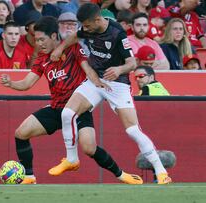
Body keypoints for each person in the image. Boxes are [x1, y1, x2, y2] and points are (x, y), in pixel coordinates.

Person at [0, 16, 143, 185]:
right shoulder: (41, 59)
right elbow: (26, 84)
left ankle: (121, 175)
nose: (38, 44)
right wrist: (11, 84)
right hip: (57, 108)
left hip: (78, 109)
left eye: (41, 39)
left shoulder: (74, 49)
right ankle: (29, 177)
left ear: (54, 36)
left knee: (89, 148)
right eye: (36, 40)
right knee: (20, 133)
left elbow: (87, 68)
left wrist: (98, 82)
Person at [49, 3, 172, 184]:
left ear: (98, 20)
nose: (85, 29)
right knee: (67, 113)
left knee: (132, 130)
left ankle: (161, 172)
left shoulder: (117, 34)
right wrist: (60, 48)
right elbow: (75, 36)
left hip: (117, 84)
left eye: (88, 25)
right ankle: (71, 159)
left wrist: (118, 69)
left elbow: (131, 63)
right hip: (96, 81)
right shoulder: (88, 28)